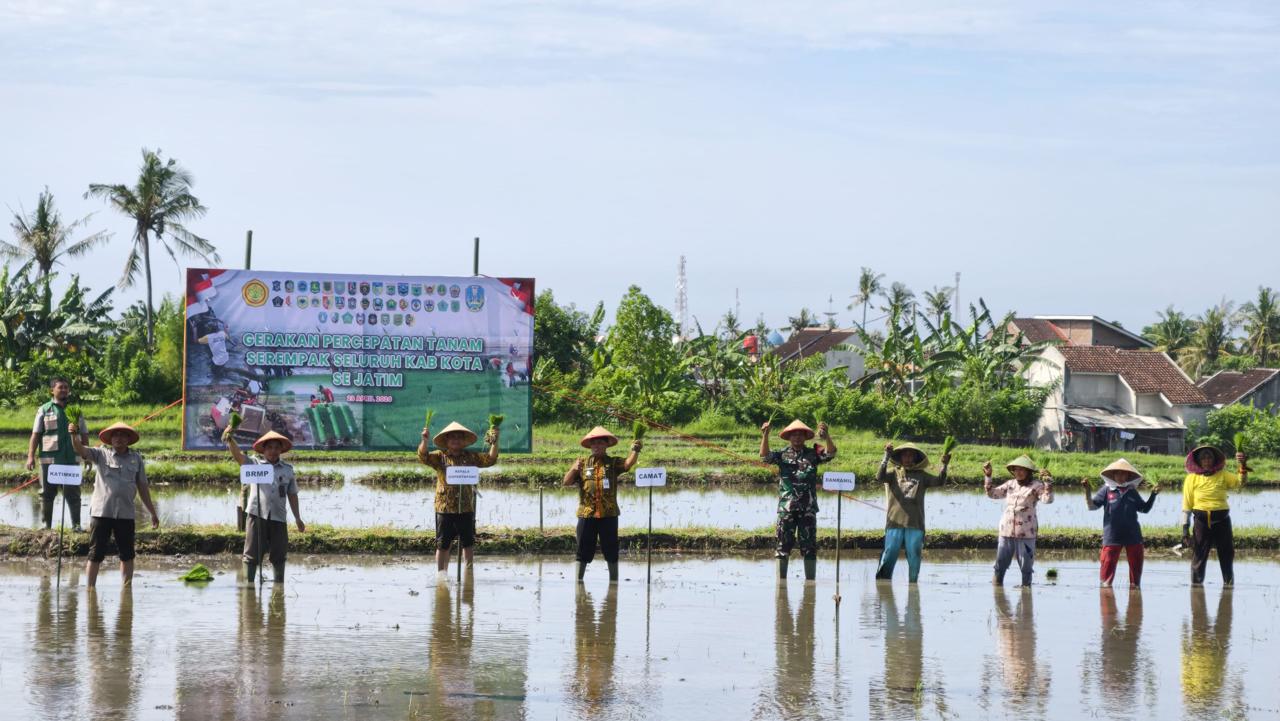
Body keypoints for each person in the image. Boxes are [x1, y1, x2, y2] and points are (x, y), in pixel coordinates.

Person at [68, 422, 159, 587]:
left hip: (125, 513)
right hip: (102, 512)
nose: (119, 438)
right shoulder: (101, 454)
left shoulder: (136, 458)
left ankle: (126, 590)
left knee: (127, 554)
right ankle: (90, 591)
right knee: (95, 553)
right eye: (115, 435)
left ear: (128, 439)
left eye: (123, 435)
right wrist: (74, 436)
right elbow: (81, 450)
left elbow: (143, 487)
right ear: (110, 439)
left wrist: (152, 512)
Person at [418, 420, 500, 576]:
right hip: (445, 508)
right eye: (452, 437)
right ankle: (441, 576)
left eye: (459, 437)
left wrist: (495, 441)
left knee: (468, 544)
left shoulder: (471, 457)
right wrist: (424, 440)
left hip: (465, 507)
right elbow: (423, 456)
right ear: (447, 441)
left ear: (464, 441)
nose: (455, 440)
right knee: (443, 545)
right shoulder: (440, 457)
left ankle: (468, 574)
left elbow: (490, 459)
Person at [760, 419, 837, 581]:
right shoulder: (781, 454)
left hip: (807, 509)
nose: (797, 438)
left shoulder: (814, 452)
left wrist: (827, 436)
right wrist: (765, 435)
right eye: (793, 435)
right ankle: (781, 587)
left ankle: (810, 585)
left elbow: (831, 453)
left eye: (800, 435)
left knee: (809, 547)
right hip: (786, 508)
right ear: (789, 437)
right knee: (782, 547)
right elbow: (765, 457)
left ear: (805, 437)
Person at [562, 426, 642, 582]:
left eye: (600, 443)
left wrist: (635, 450)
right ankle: (579, 584)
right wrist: (573, 469)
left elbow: (627, 464)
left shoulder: (612, 463)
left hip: (608, 514)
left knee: (611, 550)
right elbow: (566, 482)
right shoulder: (582, 463)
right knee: (583, 550)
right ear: (590, 446)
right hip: (587, 514)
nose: (596, 446)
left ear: (606, 445)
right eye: (594, 444)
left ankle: (614, 583)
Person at [227, 430, 305, 583]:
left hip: (278, 516)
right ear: (263, 449)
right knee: (251, 553)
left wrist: (297, 518)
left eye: (277, 447)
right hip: (257, 515)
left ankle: (278, 586)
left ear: (281, 450)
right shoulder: (255, 464)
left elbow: (292, 495)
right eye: (269, 447)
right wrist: (230, 440)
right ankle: (249, 587)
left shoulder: (287, 470)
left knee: (279, 553)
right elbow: (239, 458)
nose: (273, 451)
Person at [875, 442, 951, 583]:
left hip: (915, 523)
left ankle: (913, 587)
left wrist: (944, 465)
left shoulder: (922, 476)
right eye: (905, 455)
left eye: (911, 455)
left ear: (916, 458)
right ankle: (882, 586)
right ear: (900, 457)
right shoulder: (893, 473)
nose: (908, 458)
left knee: (915, 556)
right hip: (894, 522)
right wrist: (886, 457)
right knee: (889, 554)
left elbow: (939, 481)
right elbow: (879, 477)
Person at [1081, 458, 1158, 588]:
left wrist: (1153, 495)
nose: (1120, 476)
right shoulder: (1106, 490)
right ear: (1113, 475)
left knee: (1136, 574)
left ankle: (1135, 597)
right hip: (1112, 536)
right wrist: (1087, 491)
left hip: (1133, 536)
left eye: (1124, 474)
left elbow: (1144, 509)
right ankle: (1106, 598)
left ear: (1128, 476)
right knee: (1106, 574)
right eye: (1117, 473)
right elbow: (1092, 506)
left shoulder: (1132, 491)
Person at [25, 377, 89, 531]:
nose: (64, 390)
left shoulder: (75, 411)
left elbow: (85, 435)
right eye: (60, 387)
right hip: (49, 461)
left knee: (73, 494)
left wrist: (87, 455)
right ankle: (46, 526)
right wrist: (30, 456)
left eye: (66, 387)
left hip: (71, 460)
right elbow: (36, 435)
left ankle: (76, 526)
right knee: (47, 494)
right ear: (52, 390)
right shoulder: (44, 409)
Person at [1181, 444, 1248, 586]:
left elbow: (1240, 483)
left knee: (1226, 554)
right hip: (1201, 522)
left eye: (1209, 458)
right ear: (1199, 462)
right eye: (1203, 458)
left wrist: (1243, 465)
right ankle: (1196, 588)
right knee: (1199, 555)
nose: (1206, 461)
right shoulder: (1191, 479)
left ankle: (1228, 586)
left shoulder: (1223, 475)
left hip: (1222, 521)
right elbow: (1186, 505)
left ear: (1214, 460)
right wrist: (1185, 529)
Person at [985, 455, 1054, 586]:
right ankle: (997, 590)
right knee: (1000, 565)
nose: (1019, 472)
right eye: (1016, 470)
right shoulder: (1010, 484)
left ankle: (1026, 593)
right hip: (1006, 531)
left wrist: (1048, 483)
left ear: (1028, 472)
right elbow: (992, 494)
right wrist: (988, 476)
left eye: (1022, 470)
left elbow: (1047, 500)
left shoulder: (1036, 486)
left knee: (1026, 567)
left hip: (1026, 533)